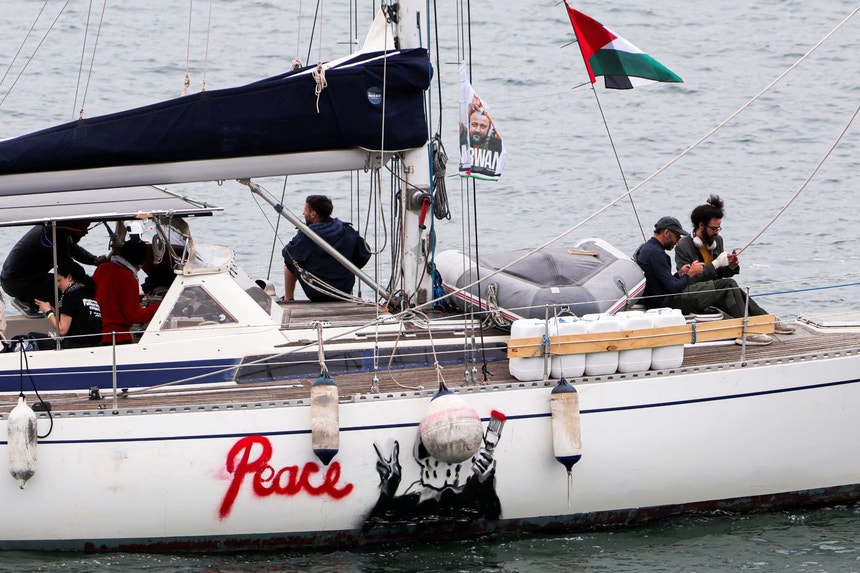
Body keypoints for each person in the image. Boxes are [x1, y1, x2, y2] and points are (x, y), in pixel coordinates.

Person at [634, 216, 779, 346]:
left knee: (728, 286)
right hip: (667, 302)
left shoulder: (648, 249)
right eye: (677, 236)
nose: (678, 240)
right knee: (728, 285)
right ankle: (747, 332)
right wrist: (690, 274)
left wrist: (679, 274)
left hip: (663, 298)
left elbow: (664, 283)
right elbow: (672, 288)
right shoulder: (657, 254)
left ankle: (765, 320)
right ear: (666, 233)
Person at [675, 196, 795, 334]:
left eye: (719, 228)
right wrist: (715, 264)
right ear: (701, 225)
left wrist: (731, 266)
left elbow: (718, 273)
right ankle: (749, 330)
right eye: (714, 228)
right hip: (694, 293)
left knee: (734, 289)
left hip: (714, 290)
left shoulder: (717, 241)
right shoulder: (683, 247)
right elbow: (690, 280)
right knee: (730, 284)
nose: (717, 232)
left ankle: (767, 320)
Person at [282, 195, 371, 302]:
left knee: (290, 262)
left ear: (313, 214)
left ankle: (288, 298)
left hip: (317, 292)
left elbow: (287, 253)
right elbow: (365, 252)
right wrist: (347, 268)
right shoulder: (346, 230)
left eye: (305, 210)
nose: (303, 213)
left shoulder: (306, 235)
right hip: (344, 290)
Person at [1, 221, 105, 312]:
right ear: (72, 226)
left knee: (70, 285)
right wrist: (90, 285)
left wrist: (94, 260)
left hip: (21, 279)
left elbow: (73, 249)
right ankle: (26, 301)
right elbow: (67, 266)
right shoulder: (53, 235)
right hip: (16, 283)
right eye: (84, 228)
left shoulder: (57, 229)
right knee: (67, 288)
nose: (86, 232)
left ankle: (29, 300)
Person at [93, 238, 161, 344]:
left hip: (96, 333)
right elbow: (134, 317)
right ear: (142, 260)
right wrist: (160, 306)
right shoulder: (128, 277)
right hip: (117, 338)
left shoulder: (102, 268)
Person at [34, 260, 102, 349]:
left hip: (76, 345)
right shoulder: (88, 295)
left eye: (59, 280)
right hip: (95, 344)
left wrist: (48, 311)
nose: (57, 285)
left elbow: (62, 330)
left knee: (31, 337)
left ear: (69, 277)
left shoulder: (70, 296)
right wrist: (53, 310)